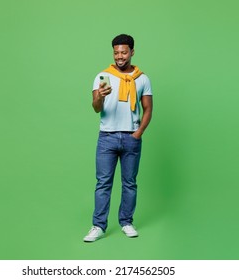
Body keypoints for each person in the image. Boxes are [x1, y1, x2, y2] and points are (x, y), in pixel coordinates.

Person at [84, 34, 153, 242]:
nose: (119, 56)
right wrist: (100, 97)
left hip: (131, 137)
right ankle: (98, 225)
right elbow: (96, 109)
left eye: (123, 52)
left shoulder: (142, 79)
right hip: (107, 137)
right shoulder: (102, 76)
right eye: (116, 52)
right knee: (103, 183)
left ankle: (126, 222)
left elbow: (148, 109)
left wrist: (138, 133)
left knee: (130, 183)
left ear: (132, 52)